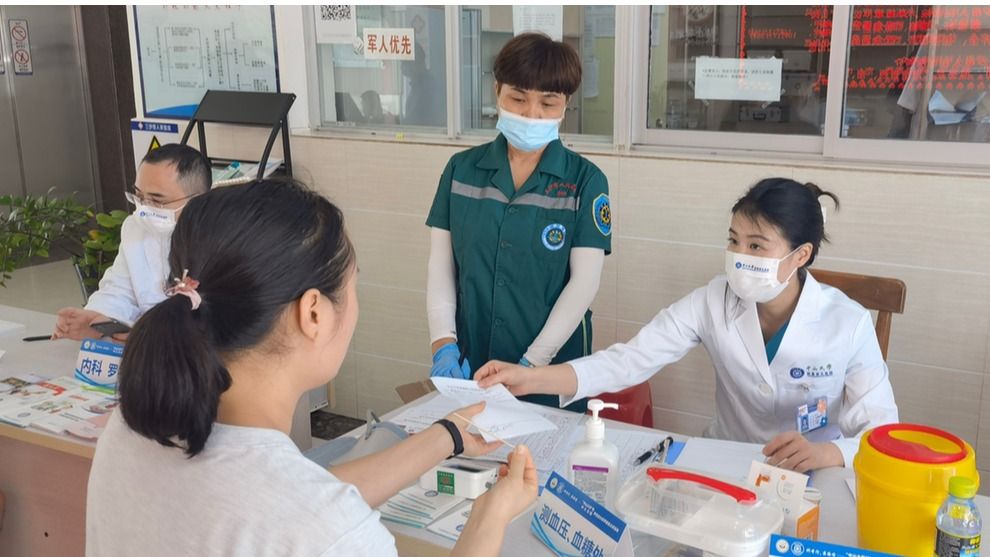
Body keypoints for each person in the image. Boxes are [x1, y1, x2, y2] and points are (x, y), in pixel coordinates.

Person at [86, 179, 538, 557]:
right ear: (314, 313)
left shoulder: (131, 429)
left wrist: (449, 435)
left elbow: (292, 498)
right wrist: (490, 515)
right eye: (353, 285)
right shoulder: (328, 530)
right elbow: (306, 512)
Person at [477, 178, 899, 472]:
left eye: (756, 246)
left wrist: (831, 455)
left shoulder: (848, 325)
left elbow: (881, 432)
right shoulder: (713, 301)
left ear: (800, 255)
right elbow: (629, 361)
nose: (739, 255)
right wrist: (529, 378)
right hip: (729, 462)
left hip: (814, 474)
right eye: (734, 240)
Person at [426, 33, 611, 413]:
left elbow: (584, 283)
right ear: (497, 91)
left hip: (552, 370)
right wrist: (443, 341)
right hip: (472, 360)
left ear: (565, 104)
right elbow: (441, 266)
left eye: (548, 102)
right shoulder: (461, 171)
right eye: (518, 98)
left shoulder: (586, 182)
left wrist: (531, 365)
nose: (531, 114)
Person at [52, 143, 211, 340]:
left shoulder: (221, 240)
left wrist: (142, 334)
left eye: (157, 200)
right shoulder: (135, 228)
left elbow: (220, 319)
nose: (143, 209)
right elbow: (119, 289)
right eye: (139, 197)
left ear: (198, 200)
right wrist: (96, 318)